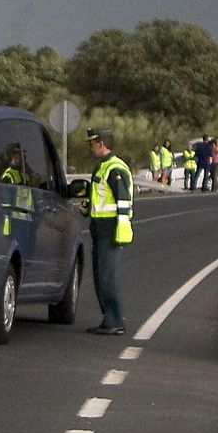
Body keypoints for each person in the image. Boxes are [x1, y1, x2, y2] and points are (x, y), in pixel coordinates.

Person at [82, 128, 132, 335]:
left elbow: (122, 203)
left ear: (101, 144)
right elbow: (102, 197)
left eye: (92, 143)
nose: (90, 147)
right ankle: (109, 319)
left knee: (107, 276)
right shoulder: (103, 166)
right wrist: (87, 207)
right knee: (100, 275)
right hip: (100, 225)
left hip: (110, 228)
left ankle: (114, 321)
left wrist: (120, 234)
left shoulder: (114, 168)